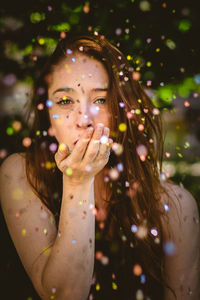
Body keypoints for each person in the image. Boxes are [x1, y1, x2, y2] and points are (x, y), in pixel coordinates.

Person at [0, 32, 199, 300]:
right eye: (65, 101)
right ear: (48, 115)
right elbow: (64, 295)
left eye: (100, 100)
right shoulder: (20, 174)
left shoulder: (175, 207)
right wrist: (78, 183)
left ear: (122, 109)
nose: (84, 119)